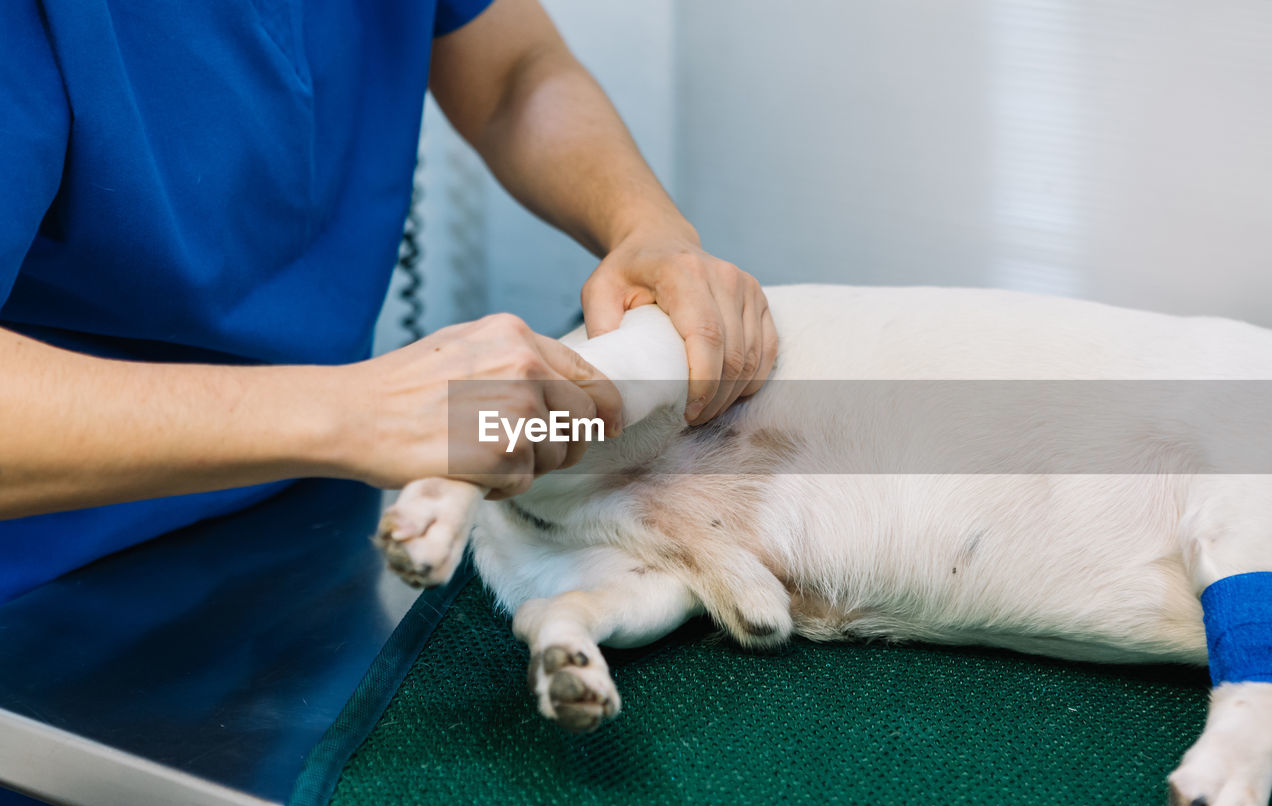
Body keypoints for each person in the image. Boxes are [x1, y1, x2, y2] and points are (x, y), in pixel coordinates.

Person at [0, 0, 778, 605]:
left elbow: (514, 72)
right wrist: (356, 413)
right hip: (42, 574)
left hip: (297, 519)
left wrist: (646, 225)